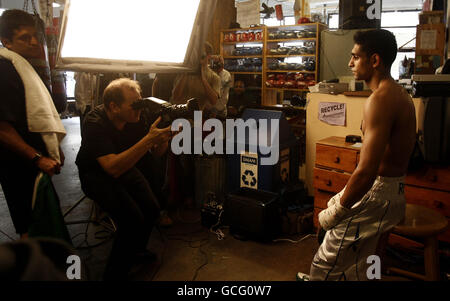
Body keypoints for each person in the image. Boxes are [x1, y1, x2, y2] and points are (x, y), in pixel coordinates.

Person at [303, 29, 416, 281]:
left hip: (378, 195)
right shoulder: (399, 94)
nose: (349, 63)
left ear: (374, 61)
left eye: (355, 57)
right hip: (393, 193)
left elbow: (366, 172)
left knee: (323, 266)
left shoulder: (381, 99)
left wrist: (337, 211)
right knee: (360, 268)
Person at [75, 78, 172, 280]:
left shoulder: (136, 118)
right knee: (131, 220)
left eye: (140, 102)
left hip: (125, 166)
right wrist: (149, 140)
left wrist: (163, 140)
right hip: (96, 174)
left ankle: (135, 251)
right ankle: (114, 276)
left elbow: (154, 153)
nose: (139, 108)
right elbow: (111, 168)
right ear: (114, 106)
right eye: (133, 104)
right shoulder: (95, 122)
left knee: (151, 209)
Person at [0, 9, 65, 239]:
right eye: (24, 38)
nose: (34, 42)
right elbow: (2, 128)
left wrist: (52, 148)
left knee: (42, 215)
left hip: (33, 160)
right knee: (29, 222)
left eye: (35, 36)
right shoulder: (4, 70)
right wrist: (38, 158)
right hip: (17, 163)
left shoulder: (23, 66)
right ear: (6, 42)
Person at [209, 55, 232, 119]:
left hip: (220, 110)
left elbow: (222, 95)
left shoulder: (226, 75)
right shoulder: (209, 73)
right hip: (208, 109)